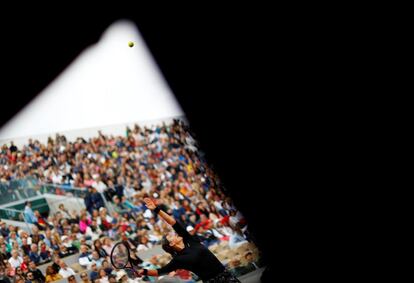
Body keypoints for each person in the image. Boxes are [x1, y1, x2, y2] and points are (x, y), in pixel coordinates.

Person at [136, 198, 240, 283]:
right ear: (172, 243)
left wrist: (156, 210)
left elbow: (173, 222)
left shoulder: (189, 240)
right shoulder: (178, 260)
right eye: (171, 236)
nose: (174, 233)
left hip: (226, 274)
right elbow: (160, 271)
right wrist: (143, 271)